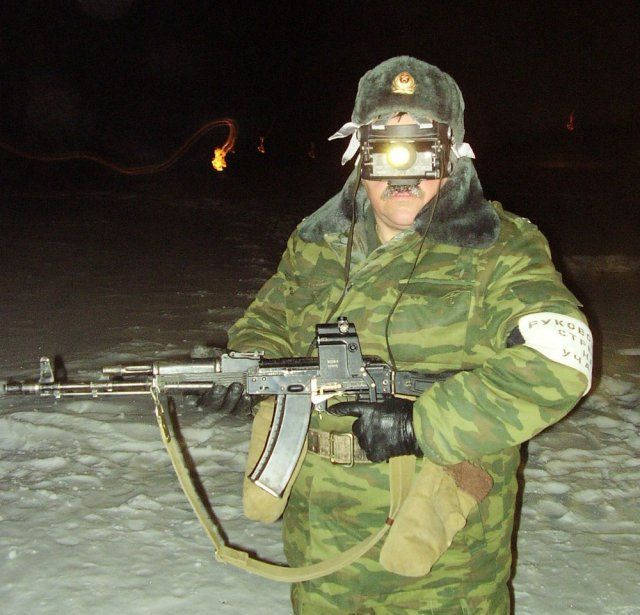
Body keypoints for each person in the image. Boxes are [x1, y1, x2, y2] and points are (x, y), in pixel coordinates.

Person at [222, 56, 592, 614]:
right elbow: (271, 318)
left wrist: (422, 424)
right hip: (321, 548)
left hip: (444, 557)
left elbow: (561, 361)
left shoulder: (499, 249)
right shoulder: (319, 244)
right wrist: (247, 364)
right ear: (358, 157)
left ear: (454, 157)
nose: (403, 173)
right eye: (385, 151)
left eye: (421, 150)